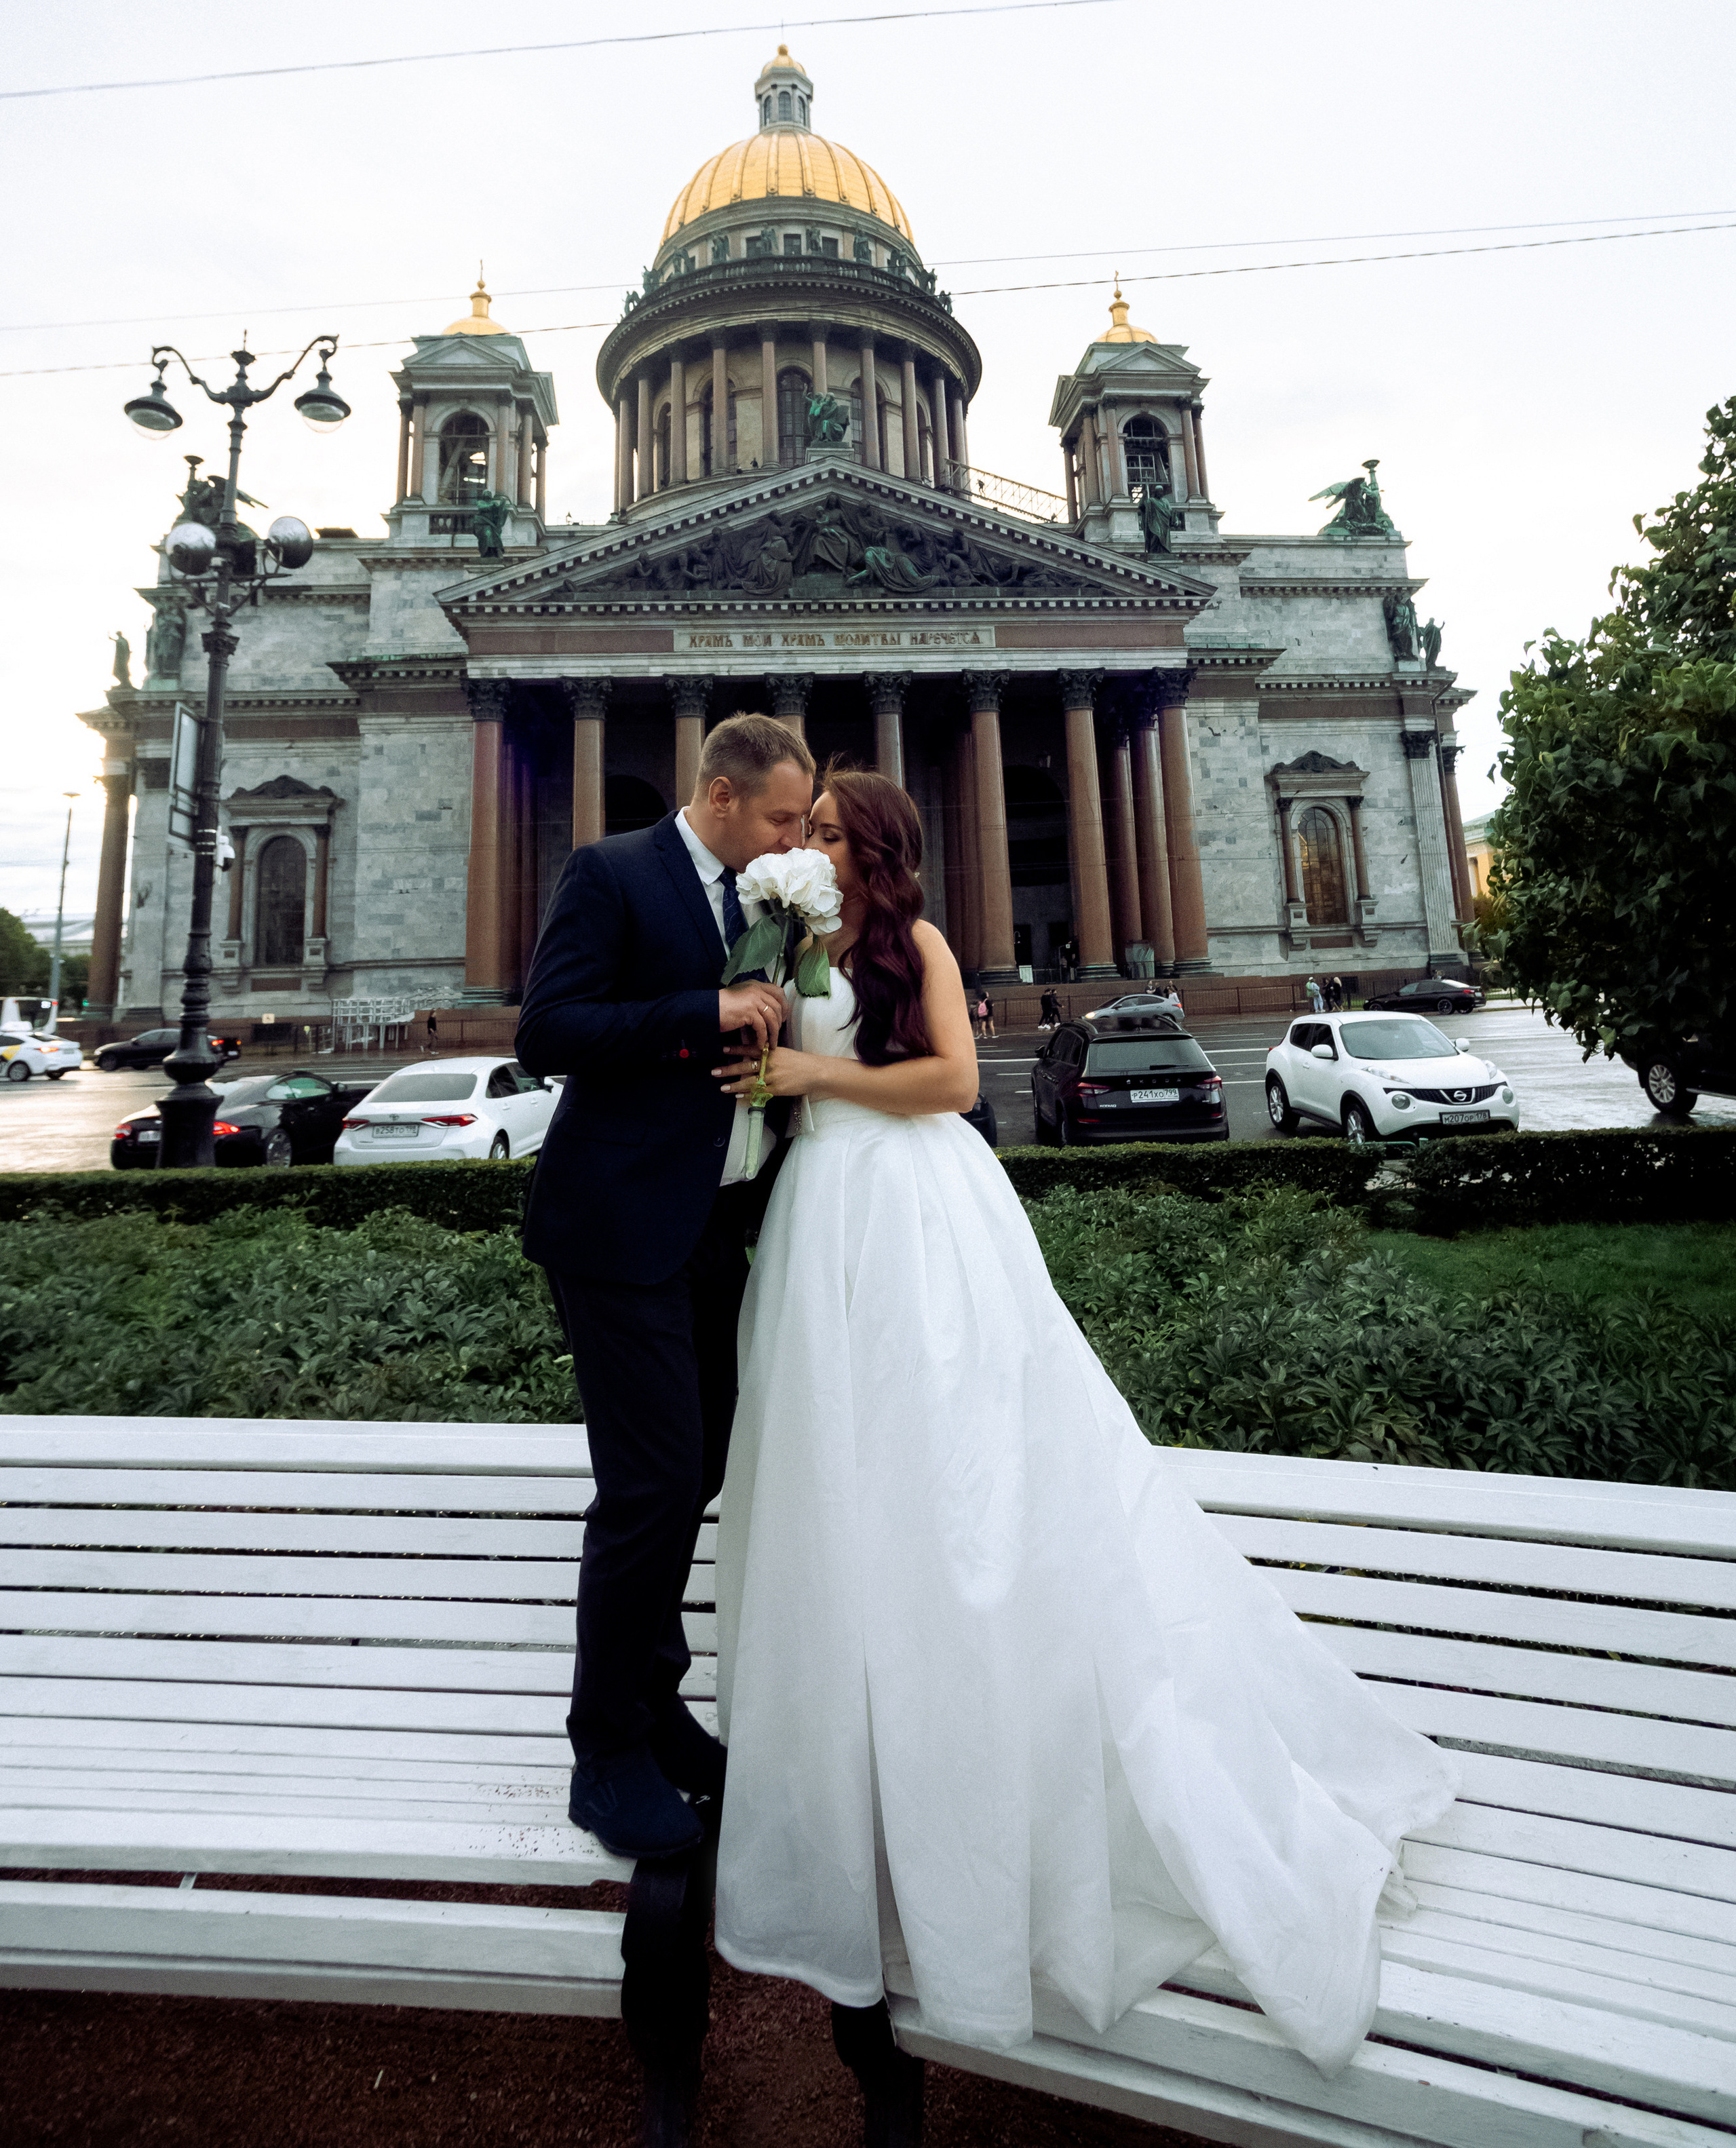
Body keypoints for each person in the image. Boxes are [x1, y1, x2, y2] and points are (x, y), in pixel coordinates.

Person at [710, 768, 1454, 2098]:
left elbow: (943, 1079)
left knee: (964, 1483)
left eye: (825, 833)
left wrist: (806, 1068)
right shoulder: (790, 945)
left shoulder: (916, 945)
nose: (803, 846)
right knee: (848, 1488)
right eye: (798, 833)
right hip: (821, 1227)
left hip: (915, 1216)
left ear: (874, 849)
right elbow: (777, 1088)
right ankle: (882, 1777)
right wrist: (756, 1073)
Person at [516, 712, 814, 1862]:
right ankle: (605, 1752)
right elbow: (552, 1031)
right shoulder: (612, 872)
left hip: (709, 1230)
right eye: (786, 816)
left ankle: (655, 1704)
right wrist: (706, 1014)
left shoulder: (764, 899)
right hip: (617, 1230)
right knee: (647, 1488)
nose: (800, 838)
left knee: (690, 1474)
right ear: (724, 796)